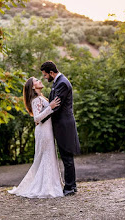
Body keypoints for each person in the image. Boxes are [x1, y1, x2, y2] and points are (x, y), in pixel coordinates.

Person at [8, 77, 64, 198]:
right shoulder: (36, 100)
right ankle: (46, 187)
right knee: (45, 156)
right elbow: (37, 118)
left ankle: (51, 184)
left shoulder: (40, 98)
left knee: (48, 156)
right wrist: (51, 107)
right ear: (33, 87)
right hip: (43, 131)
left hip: (46, 130)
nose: (40, 81)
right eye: (37, 81)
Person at [40, 61, 81, 196]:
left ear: (51, 73)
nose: (45, 78)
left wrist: (40, 118)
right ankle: (72, 185)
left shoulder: (62, 83)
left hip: (64, 125)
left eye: (45, 75)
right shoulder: (58, 82)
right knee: (66, 156)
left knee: (66, 156)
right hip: (62, 124)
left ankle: (69, 187)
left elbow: (55, 106)